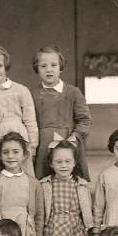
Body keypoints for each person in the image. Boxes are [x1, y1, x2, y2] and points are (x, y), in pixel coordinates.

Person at [0, 45, 39, 177]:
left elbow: (30, 120)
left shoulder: (21, 90)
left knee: (23, 173)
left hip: (18, 134)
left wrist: (32, 146)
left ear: (6, 66)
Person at [31, 45, 92, 181]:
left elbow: (85, 120)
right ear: (37, 68)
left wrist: (74, 137)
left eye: (53, 65)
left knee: (72, 182)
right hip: (43, 146)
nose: (49, 69)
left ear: (61, 67)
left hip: (68, 143)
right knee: (43, 182)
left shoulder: (73, 92)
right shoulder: (32, 94)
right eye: (43, 66)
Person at [38, 138, 94, 236]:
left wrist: (89, 227)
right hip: (53, 229)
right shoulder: (45, 184)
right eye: (58, 162)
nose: (63, 165)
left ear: (74, 163)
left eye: (68, 161)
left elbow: (87, 210)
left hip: (75, 230)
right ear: (51, 164)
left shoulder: (81, 184)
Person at [0, 132, 44, 236]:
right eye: (5, 152)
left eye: (15, 152)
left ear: (24, 155)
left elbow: (39, 216)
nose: (10, 156)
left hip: (26, 235)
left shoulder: (33, 183)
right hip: (1, 233)